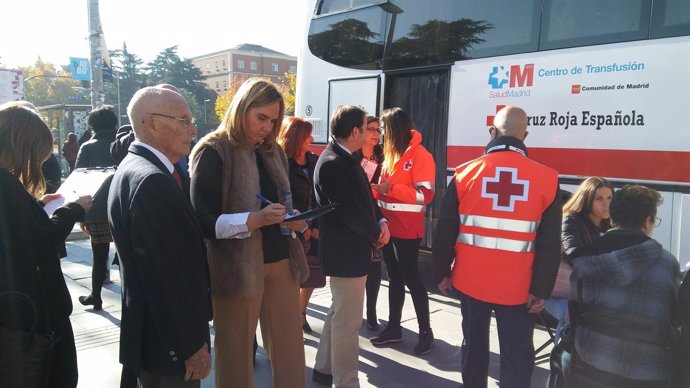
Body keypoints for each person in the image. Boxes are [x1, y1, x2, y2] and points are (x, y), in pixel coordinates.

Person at [189, 78, 309, 388]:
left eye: (273, 120)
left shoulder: (273, 152)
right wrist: (253, 220)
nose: (268, 127)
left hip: (282, 262)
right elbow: (203, 222)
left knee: (290, 351)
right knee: (235, 357)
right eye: (262, 118)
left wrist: (295, 219)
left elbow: (282, 205)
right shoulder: (213, 150)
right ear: (242, 108)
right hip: (237, 270)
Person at [432, 105, 562, 388]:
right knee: (517, 356)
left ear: (492, 132)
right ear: (524, 136)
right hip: (519, 290)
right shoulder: (548, 179)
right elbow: (551, 245)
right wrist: (541, 290)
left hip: (470, 283)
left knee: (474, 348)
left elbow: (445, 231)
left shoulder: (465, 174)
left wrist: (441, 272)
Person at [107, 87, 212, 387]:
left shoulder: (136, 169)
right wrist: (189, 347)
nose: (192, 129)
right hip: (168, 350)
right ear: (151, 123)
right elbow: (165, 277)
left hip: (154, 340)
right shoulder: (152, 180)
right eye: (183, 120)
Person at [0, 103, 92, 388]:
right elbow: (39, 243)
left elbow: (17, 233)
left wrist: (39, 206)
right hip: (32, 323)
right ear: (23, 145)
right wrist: (73, 210)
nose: (40, 161)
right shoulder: (5, 183)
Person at [565, 184, 680, 387]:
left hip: (590, 366)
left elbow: (575, 313)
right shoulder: (668, 264)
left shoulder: (586, 258)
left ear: (613, 217)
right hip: (649, 375)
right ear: (649, 221)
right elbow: (674, 319)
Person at [312, 105, 390, 388]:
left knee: (338, 313)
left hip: (350, 253)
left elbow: (366, 200)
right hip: (346, 254)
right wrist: (376, 232)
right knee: (349, 323)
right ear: (354, 131)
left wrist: (381, 220)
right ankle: (346, 381)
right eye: (367, 128)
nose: (372, 134)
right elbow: (350, 212)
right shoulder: (333, 162)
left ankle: (323, 368)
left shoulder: (345, 158)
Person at [369, 107, 436, 355]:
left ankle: (426, 333)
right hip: (389, 227)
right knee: (394, 278)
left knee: (412, 279)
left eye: (384, 128)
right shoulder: (391, 155)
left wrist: (389, 189)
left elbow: (424, 195)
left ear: (395, 129)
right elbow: (385, 191)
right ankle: (394, 328)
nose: (382, 134)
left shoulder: (421, 156)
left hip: (407, 228)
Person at [547, 177, 613, 338]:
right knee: (569, 315)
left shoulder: (607, 224)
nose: (606, 204)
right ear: (586, 200)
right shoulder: (570, 220)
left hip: (583, 289)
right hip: (554, 290)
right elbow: (573, 252)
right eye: (599, 199)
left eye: (610, 198)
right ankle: (563, 359)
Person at [277, 116, 325, 333]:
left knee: (311, 274)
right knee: (290, 277)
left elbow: (320, 196)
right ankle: (287, 319)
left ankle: (301, 312)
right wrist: (301, 225)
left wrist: (315, 226)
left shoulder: (315, 161)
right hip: (290, 231)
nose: (312, 139)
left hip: (313, 229)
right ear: (296, 138)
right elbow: (283, 198)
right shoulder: (282, 164)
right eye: (307, 135)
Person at [76, 105, 118, 310]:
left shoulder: (88, 147)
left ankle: (96, 296)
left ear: (93, 125)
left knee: (99, 256)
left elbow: (79, 181)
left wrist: (81, 216)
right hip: (122, 208)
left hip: (96, 209)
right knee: (129, 254)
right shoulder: (122, 144)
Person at [356, 115, 385, 331]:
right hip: (358, 214)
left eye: (378, 130)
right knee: (358, 268)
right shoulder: (353, 156)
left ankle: (372, 312)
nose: (376, 134)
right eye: (372, 129)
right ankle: (353, 310)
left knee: (375, 267)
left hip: (375, 212)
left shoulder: (380, 155)